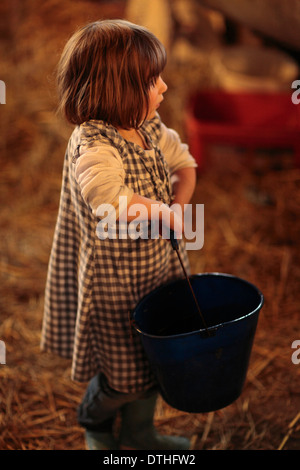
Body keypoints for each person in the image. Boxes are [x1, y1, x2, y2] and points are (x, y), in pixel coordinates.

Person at [41, 19, 197, 450]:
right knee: (122, 374)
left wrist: (178, 209)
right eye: (152, 80)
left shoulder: (147, 125)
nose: (164, 87)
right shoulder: (95, 146)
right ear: (117, 91)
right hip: (113, 286)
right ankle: (93, 419)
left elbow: (185, 164)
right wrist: (162, 212)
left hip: (155, 273)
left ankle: (139, 432)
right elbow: (107, 198)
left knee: (151, 363)